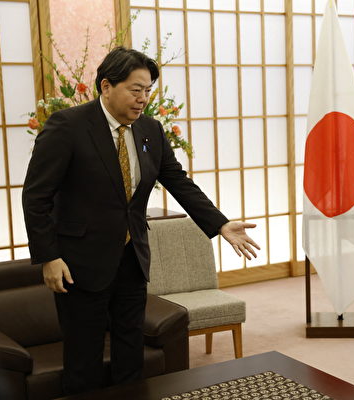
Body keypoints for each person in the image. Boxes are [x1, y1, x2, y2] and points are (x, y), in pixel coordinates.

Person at [22, 47, 260, 395]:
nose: (143, 98)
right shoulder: (68, 126)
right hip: (79, 262)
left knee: (130, 349)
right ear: (106, 86)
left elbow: (178, 181)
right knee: (83, 357)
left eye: (148, 90)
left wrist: (220, 224)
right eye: (136, 89)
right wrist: (49, 256)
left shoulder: (150, 129)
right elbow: (36, 196)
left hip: (132, 257)